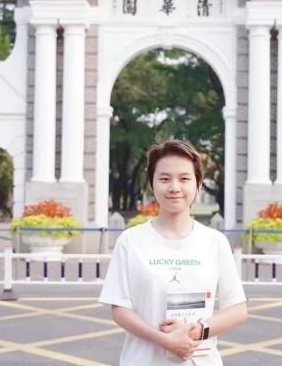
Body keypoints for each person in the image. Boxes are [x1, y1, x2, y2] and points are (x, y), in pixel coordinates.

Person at [99, 139, 247, 365]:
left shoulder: (214, 242)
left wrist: (195, 331)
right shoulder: (131, 241)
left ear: (198, 185)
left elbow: (237, 309)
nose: (174, 188)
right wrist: (165, 341)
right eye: (165, 179)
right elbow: (120, 309)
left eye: (184, 179)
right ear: (152, 184)